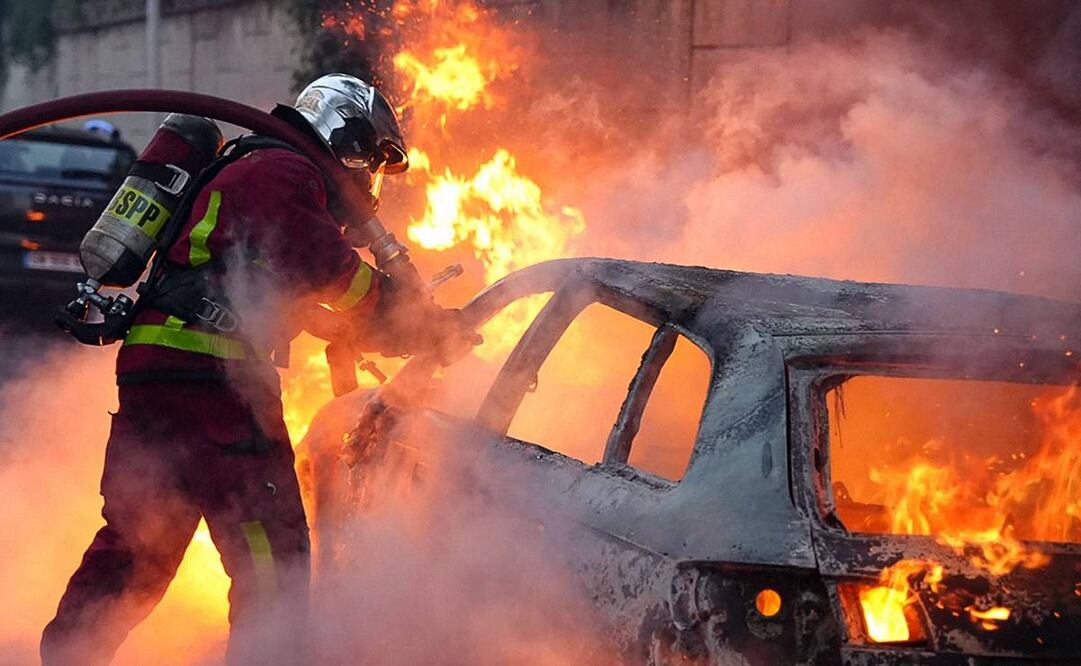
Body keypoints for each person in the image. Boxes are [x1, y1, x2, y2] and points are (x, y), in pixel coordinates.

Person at [41, 74, 445, 665]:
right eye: (370, 160)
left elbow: (272, 288)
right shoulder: (286, 170)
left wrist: (362, 331)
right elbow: (328, 268)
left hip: (160, 367)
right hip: (217, 379)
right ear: (345, 137)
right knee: (271, 551)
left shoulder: (251, 165)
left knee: (141, 544)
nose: (368, 181)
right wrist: (405, 312)